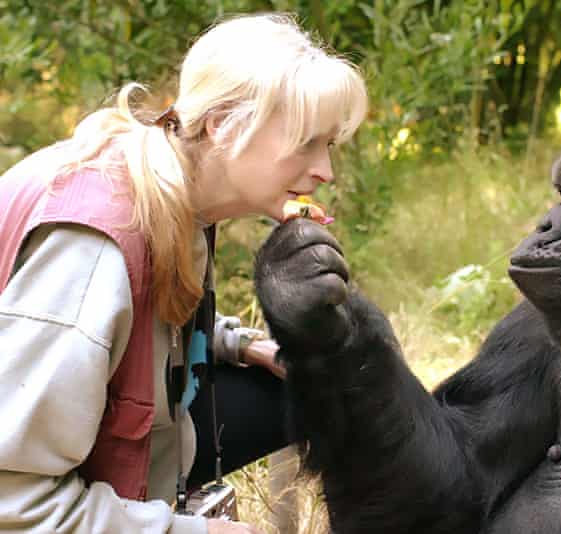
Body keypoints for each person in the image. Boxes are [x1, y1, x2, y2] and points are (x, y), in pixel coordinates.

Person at [0, 12, 367, 534]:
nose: (324, 171)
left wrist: (235, 344)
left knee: (313, 386)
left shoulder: (173, 187)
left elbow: (131, 327)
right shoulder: (94, 248)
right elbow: (11, 499)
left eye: (328, 145)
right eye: (306, 142)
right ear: (222, 125)